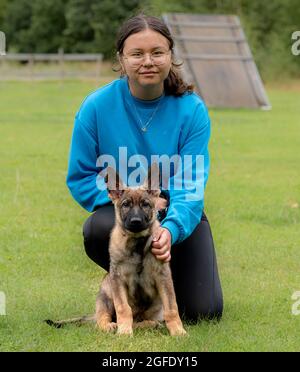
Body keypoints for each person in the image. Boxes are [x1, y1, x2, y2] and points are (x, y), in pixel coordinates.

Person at [66, 14, 223, 322]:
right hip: (124, 213)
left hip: (176, 214)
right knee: (98, 227)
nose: (148, 61)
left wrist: (171, 228)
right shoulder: (96, 107)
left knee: (204, 311)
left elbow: (191, 186)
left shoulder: (192, 111)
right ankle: (129, 287)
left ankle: (162, 278)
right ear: (121, 59)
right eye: (137, 54)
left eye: (157, 52)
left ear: (170, 56)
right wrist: (122, 198)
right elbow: (81, 176)